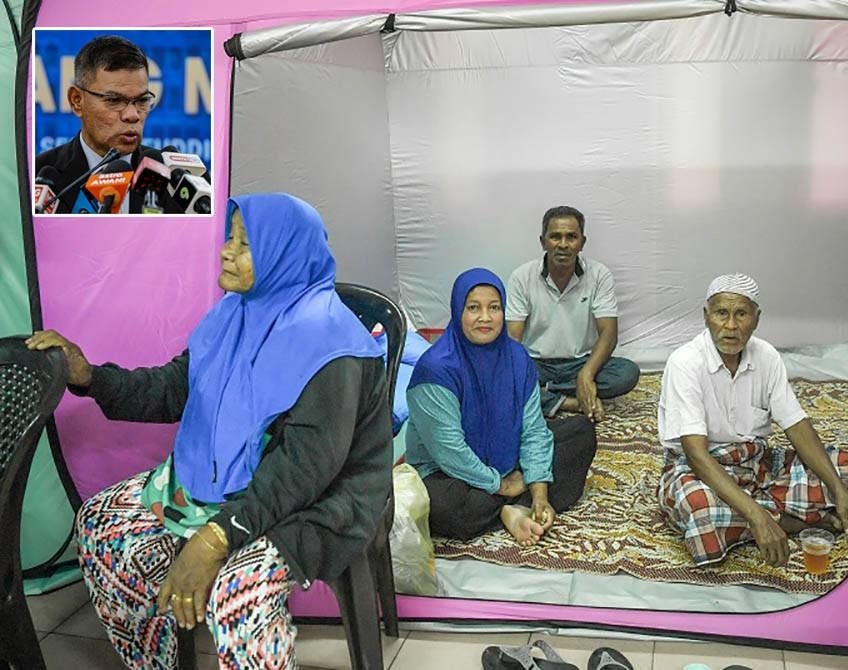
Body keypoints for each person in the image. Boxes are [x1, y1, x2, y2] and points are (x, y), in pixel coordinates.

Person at [25, 193, 392, 668]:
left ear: (285, 255)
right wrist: (90, 375)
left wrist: (215, 539)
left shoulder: (331, 347)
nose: (225, 250)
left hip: (321, 497)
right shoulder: (231, 316)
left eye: (245, 243)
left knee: (239, 594)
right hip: (237, 481)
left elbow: (304, 470)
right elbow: (173, 389)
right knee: (103, 526)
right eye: (230, 237)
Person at [656, 273, 848, 567]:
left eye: (741, 314)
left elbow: (797, 426)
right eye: (722, 313)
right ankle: (790, 522)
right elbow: (696, 455)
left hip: (758, 465)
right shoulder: (685, 362)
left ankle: (755, 523)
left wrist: (838, 489)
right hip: (701, 469)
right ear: (706, 316)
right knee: (703, 510)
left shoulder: (767, 356)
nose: (731, 326)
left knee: (845, 469)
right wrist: (757, 516)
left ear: (757, 318)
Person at [405, 268, 597, 546]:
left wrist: (540, 492)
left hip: (506, 461)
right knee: (440, 505)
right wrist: (503, 485)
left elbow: (533, 430)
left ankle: (523, 504)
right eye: (473, 308)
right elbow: (450, 452)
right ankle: (509, 509)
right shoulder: (436, 369)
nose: (485, 317)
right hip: (449, 472)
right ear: (458, 310)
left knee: (580, 432)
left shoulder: (517, 357)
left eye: (494, 307)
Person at [506, 206, 639, 423]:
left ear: (582, 242)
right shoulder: (521, 277)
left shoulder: (598, 275)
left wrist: (586, 374)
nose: (563, 245)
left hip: (581, 363)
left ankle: (544, 394)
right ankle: (570, 401)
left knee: (627, 373)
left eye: (571, 237)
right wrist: (518, 373)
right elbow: (513, 339)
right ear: (543, 242)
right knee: (502, 379)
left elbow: (609, 333)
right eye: (555, 237)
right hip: (536, 363)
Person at [35, 35, 166, 214]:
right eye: (114, 100)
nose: (133, 115)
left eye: (142, 100)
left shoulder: (174, 177)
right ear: (76, 101)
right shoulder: (37, 176)